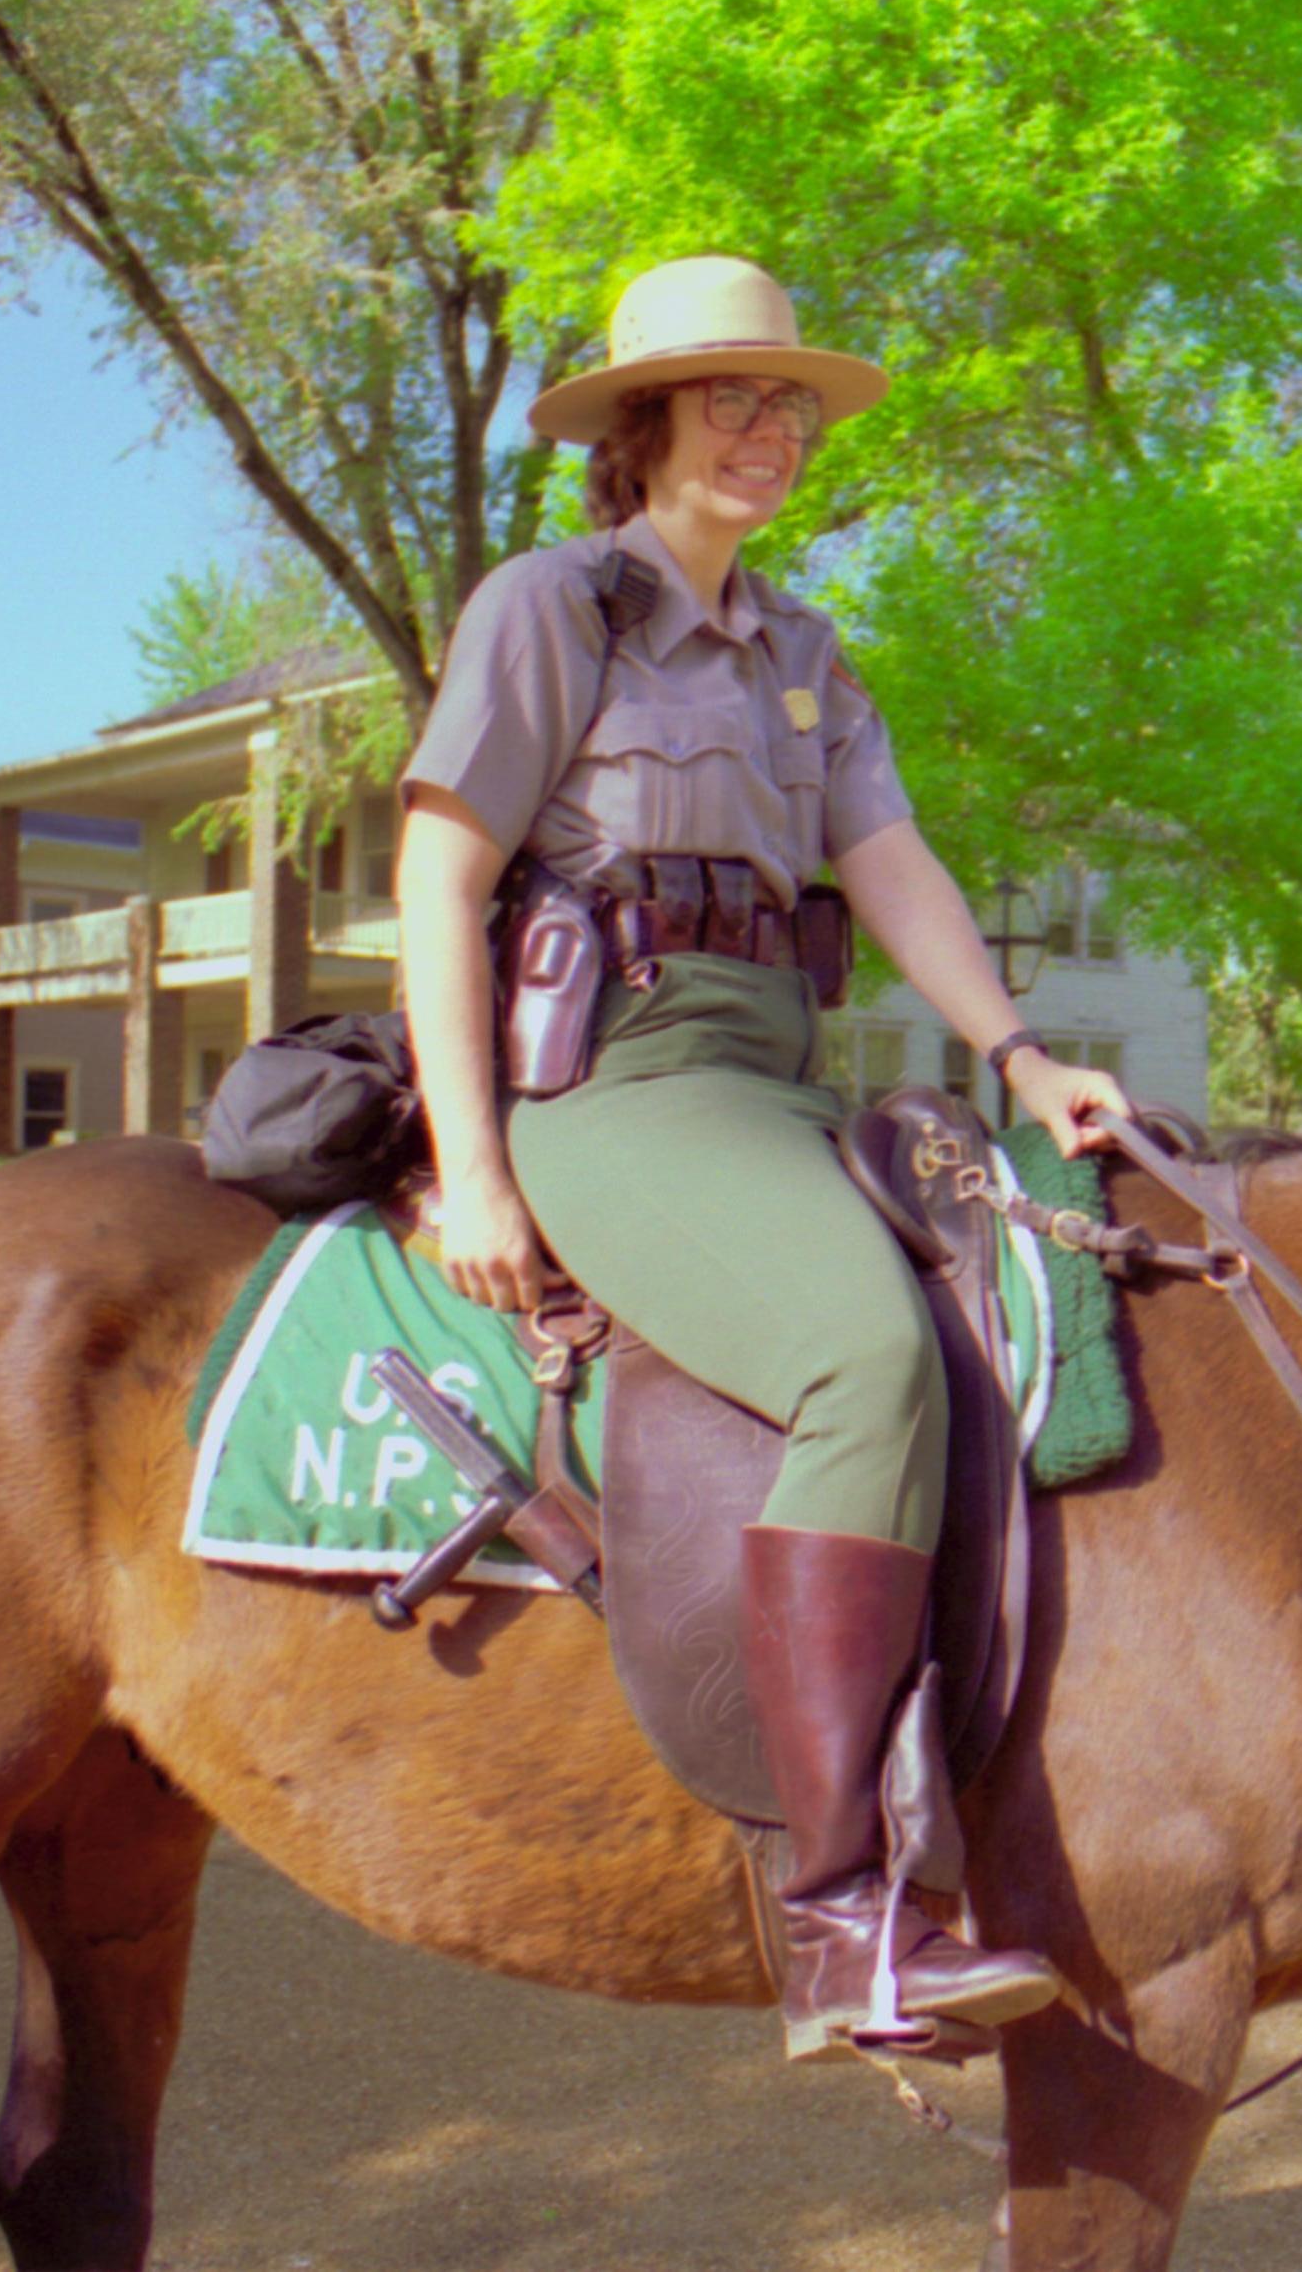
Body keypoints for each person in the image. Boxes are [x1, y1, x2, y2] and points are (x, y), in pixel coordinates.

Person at [394, 254, 1124, 2061]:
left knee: (1028, 1295)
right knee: (859, 1357)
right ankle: (844, 1920)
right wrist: (473, 1166)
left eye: (788, 403)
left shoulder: (806, 653)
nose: (767, 431)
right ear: (639, 429)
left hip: (786, 1077)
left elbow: (892, 873)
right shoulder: (556, 606)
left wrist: (1025, 1059)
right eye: (729, 397)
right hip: (619, 1088)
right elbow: (439, 878)